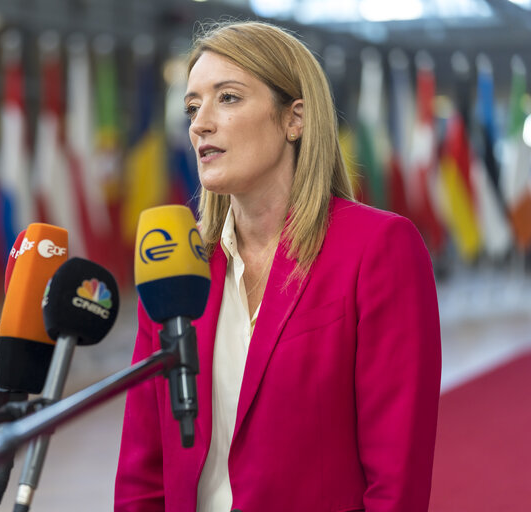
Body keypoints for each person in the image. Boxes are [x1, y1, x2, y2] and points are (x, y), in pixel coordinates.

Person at [114, 20, 441, 512]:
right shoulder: (175, 265)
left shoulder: (378, 249)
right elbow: (143, 471)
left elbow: (397, 479)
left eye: (227, 97)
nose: (200, 122)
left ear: (295, 119)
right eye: (192, 105)